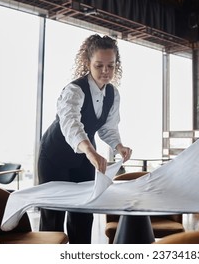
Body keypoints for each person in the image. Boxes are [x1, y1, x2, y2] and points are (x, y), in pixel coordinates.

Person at [37, 34, 132, 244]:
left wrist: (119, 146)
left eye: (111, 65)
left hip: (84, 159)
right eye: (99, 65)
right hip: (55, 156)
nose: (105, 71)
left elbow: (108, 127)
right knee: (53, 216)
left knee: (83, 213)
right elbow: (71, 124)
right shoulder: (74, 90)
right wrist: (91, 152)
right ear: (87, 63)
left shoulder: (113, 95)